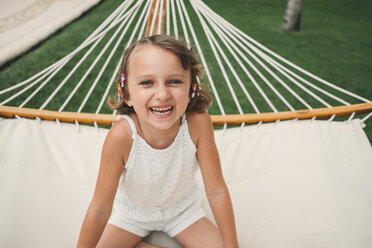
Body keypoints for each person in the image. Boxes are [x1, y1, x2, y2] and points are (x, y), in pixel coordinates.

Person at [77, 34, 238, 248]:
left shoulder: (198, 124)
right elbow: (100, 208)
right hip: (131, 215)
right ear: (126, 94)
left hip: (183, 210)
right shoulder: (122, 136)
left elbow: (216, 190)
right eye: (146, 82)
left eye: (174, 81)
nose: (162, 94)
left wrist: (232, 246)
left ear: (191, 90)